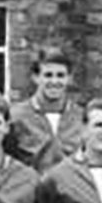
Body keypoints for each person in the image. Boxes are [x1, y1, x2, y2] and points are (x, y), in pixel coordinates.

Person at [7, 46, 85, 174]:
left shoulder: (82, 117)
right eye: (48, 75)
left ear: (69, 78)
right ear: (35, 77)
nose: (54, 81)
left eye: (60, 75)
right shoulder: (15, 117)